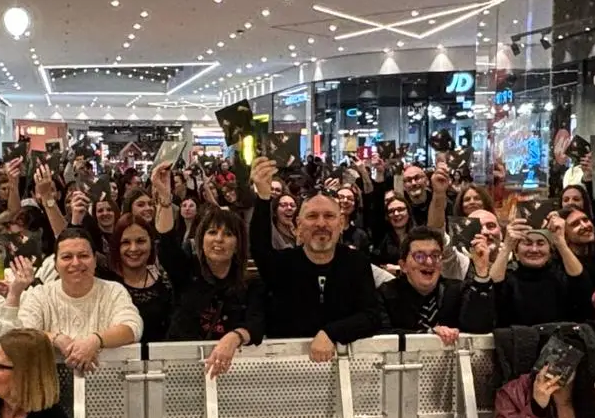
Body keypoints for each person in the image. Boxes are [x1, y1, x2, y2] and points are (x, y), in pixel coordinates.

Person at [248, 159, 384, 360]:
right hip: (287, 367)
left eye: (329, 216)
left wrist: (331, 332)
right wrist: (263, 197)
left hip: (344, 367)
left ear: (341, 224)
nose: (321, 223)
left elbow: (371, 316)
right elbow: (260, 246)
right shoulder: (281, 265)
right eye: (312, 216)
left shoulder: (356, 263)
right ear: (299, 226)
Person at [156, 203, 266, 374]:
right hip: (180, 367)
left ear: (238, 244)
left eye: (228, 234)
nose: (219, 239)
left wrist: (234, 337)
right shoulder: (185, 271)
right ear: (201, 239)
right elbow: (166, 245)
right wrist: (164, 202)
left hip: (231, 370)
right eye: (212, 232)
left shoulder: (250, 283)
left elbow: (257, 322)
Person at [17, 227, 142, 371]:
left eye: (83, 255)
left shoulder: (114, 291)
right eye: (67, 257)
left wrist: (94, 341)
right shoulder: (40, 295)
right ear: (55, 265)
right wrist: (56, 339)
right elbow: (23, 332)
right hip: (50, 383)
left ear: (95, 260)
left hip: (107, 382)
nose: (76, 263)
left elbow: (132, 327)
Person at [378, 227, 496, 341]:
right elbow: (381, 334)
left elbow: (480, 327)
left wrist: (481, 271)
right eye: (419, 256)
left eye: (435, 256)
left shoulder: (457, 290)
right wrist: (427, 335)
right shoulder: (385, 294)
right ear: (403, 265)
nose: (429, 262)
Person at [497, 214, 589, 326]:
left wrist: (560, 242)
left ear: (550, 251)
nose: (534, 249)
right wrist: (507, 247)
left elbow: (581, 282)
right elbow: (492, 289)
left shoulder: (561, 278)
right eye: (527, 243)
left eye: (540, 243)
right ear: (516, 251)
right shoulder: (508, 280)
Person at [110, 219, 174, 343]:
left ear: (151, 243)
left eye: (140, 241)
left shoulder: (167, 284)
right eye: (125, 242)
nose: (133, 248)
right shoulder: (106, 282)